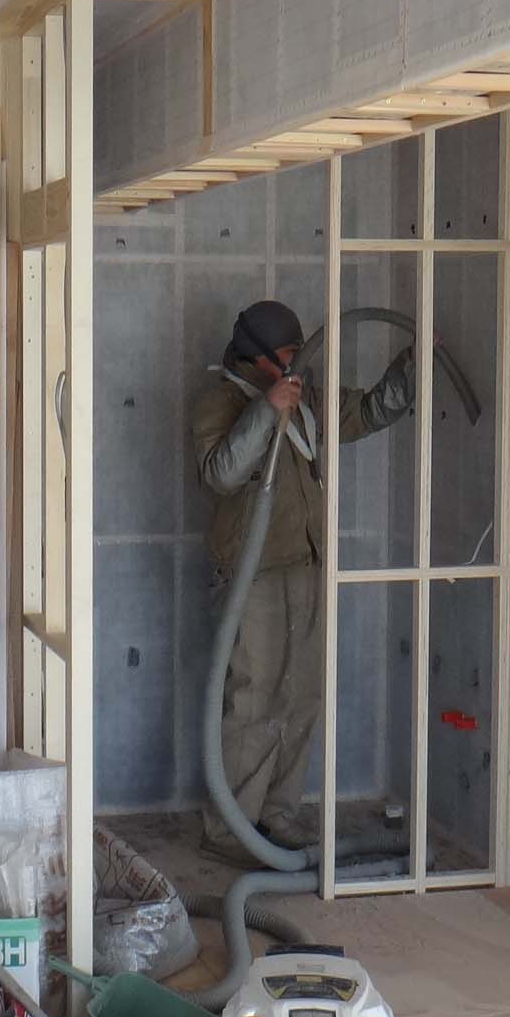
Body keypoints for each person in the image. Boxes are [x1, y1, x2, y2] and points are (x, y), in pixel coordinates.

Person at [191, 299, 415, 857]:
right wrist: (266, 410)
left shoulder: (307, 400)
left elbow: (367, 412)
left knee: (301, 695)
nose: (299, 363)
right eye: (290, 353)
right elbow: (222, 473)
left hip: (305, 564)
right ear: (258, 356)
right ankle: (231, 828)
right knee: (254, 700)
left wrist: (413, 369)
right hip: (251, 574)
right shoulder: (220, 402)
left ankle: (277, 815)